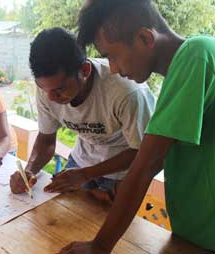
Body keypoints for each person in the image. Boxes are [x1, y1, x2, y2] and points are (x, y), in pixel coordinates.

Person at [56, 0, 215, 253]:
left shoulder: (196, 55)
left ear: (144, 38)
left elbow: (146, 164)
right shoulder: (182, 74)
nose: (114, 69)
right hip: (193, 234)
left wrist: (99, 246)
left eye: (112, 56)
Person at [9, 27, 155, 204]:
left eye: (59, 89)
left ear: (84, 71)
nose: (51, 98)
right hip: (80, 162)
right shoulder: (49, 89)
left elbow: (143, 153)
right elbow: (46, 140)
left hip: (122, 172)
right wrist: (30, 169)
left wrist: (87, 174)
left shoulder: (127, 92)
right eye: (43, 88)